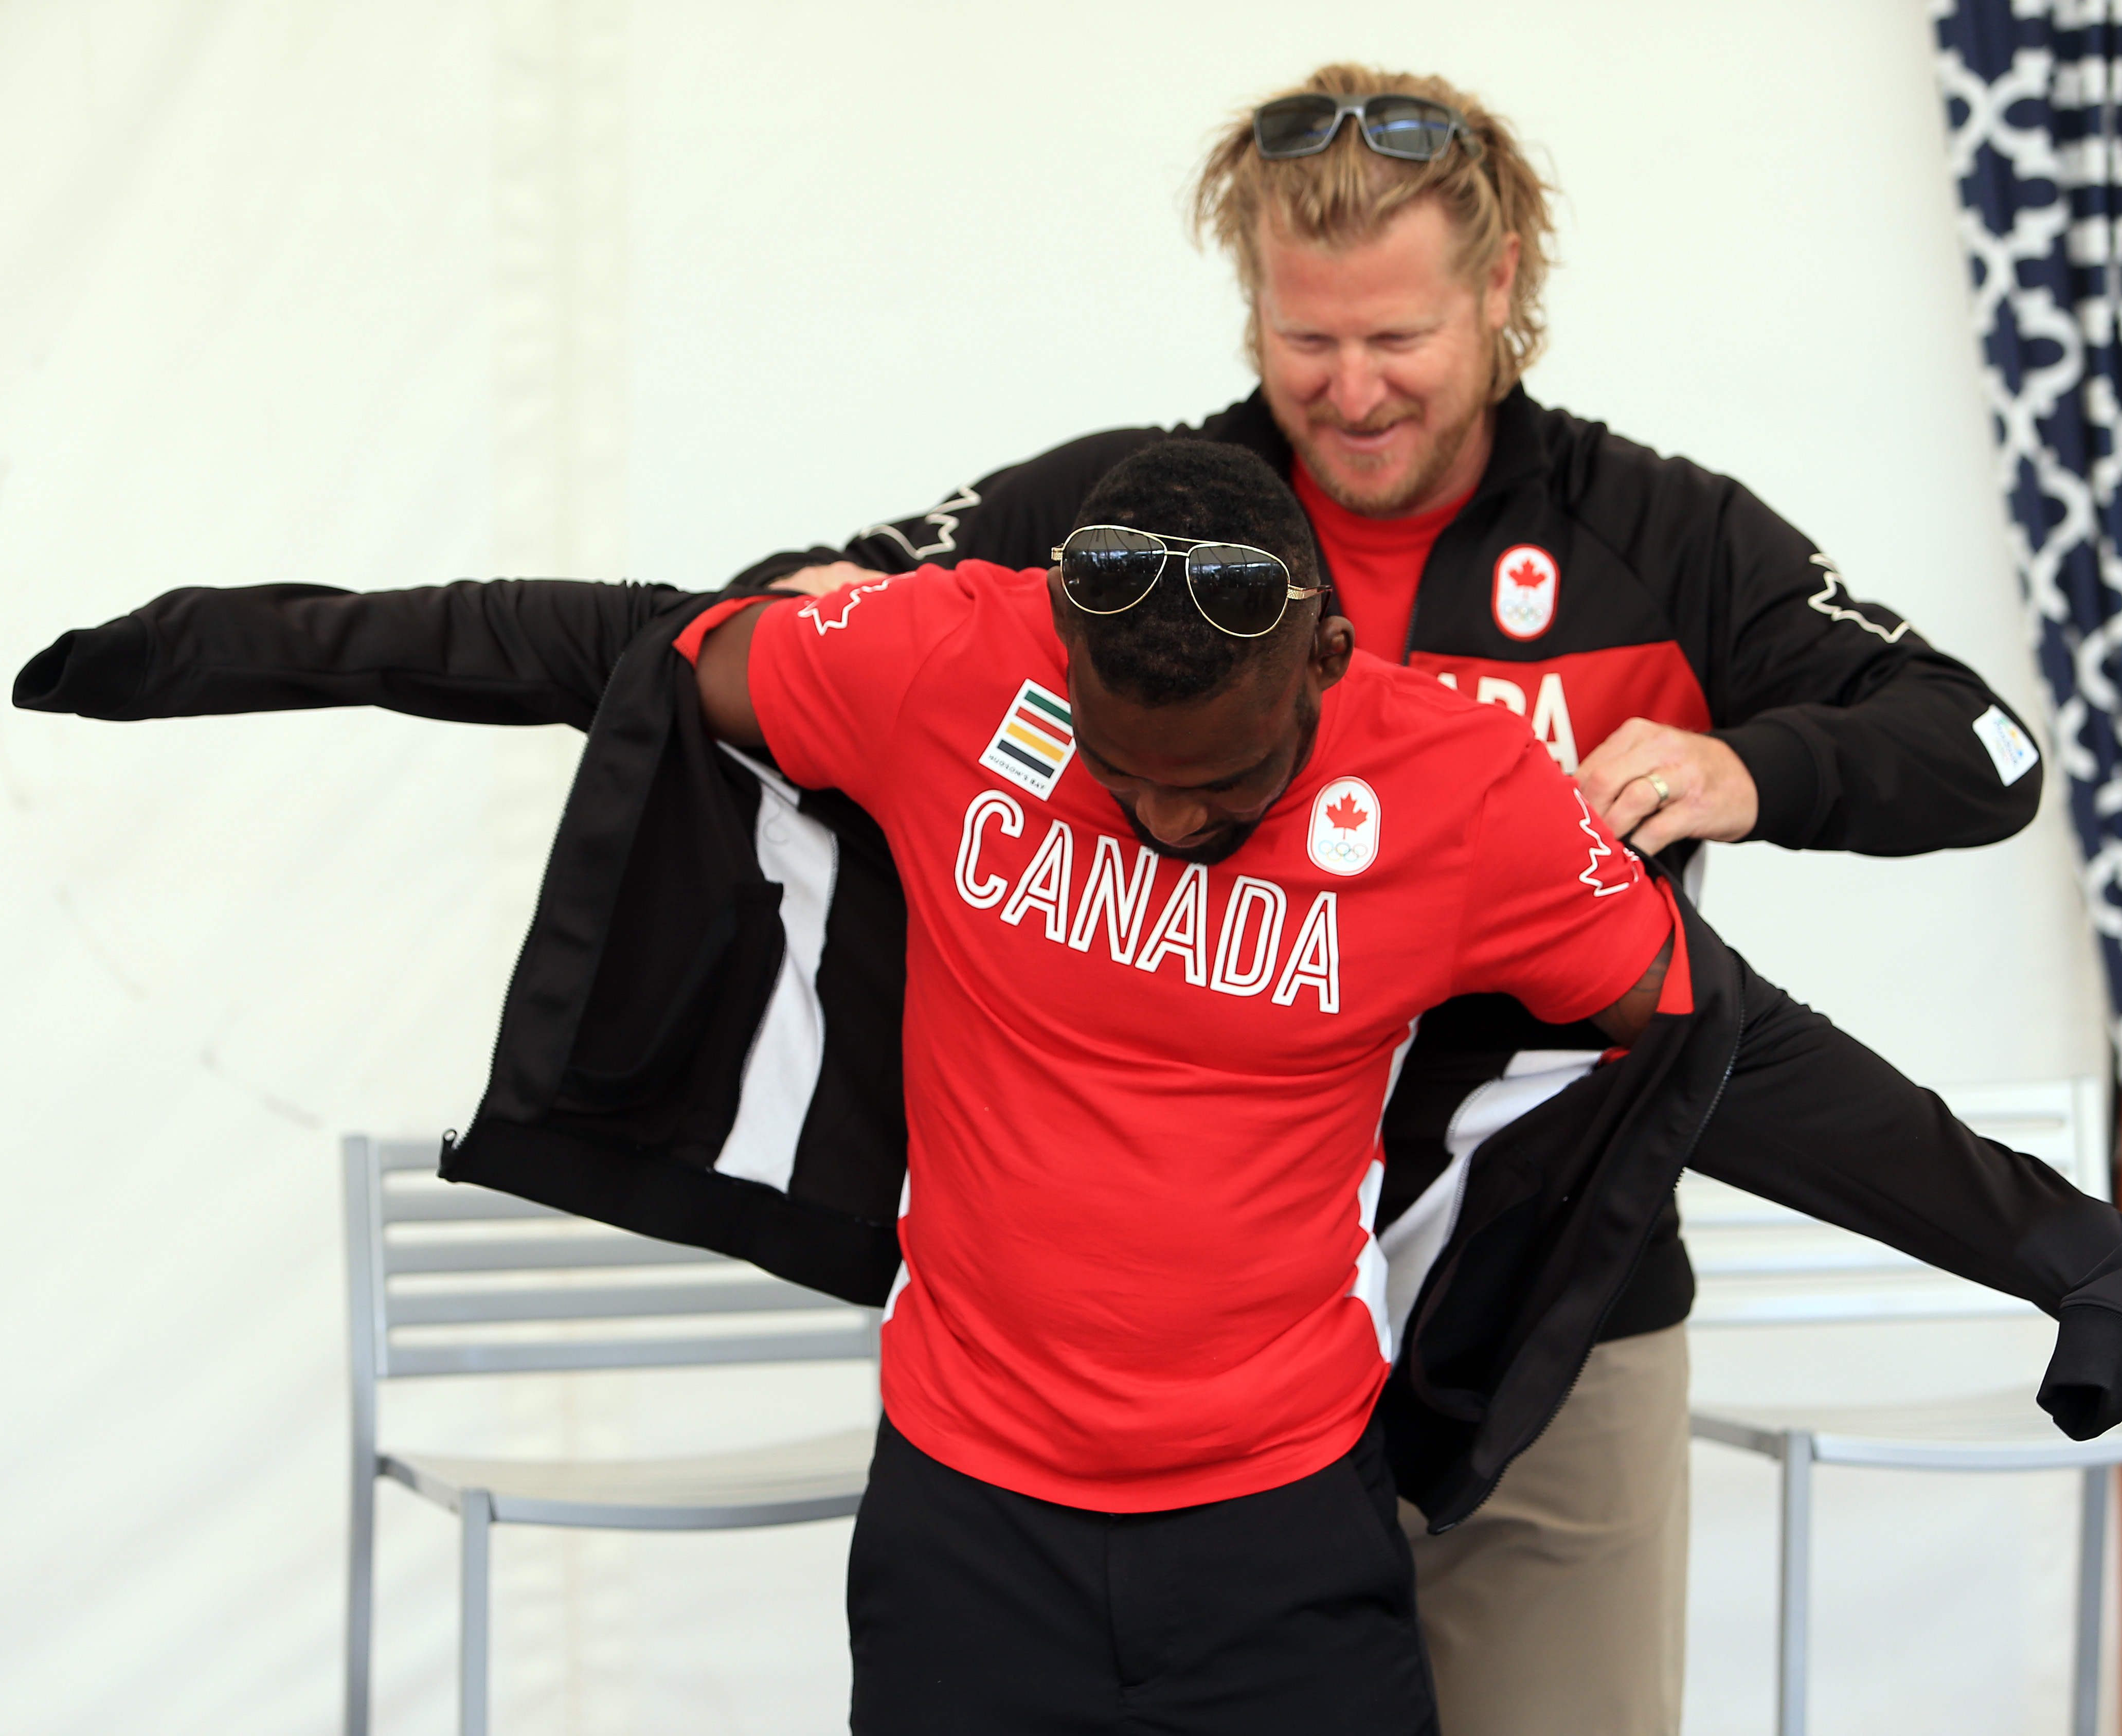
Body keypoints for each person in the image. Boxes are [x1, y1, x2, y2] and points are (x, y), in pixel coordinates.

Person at [19, 442, 2122, 1735]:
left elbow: (1735, 1047)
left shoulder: (1450, 792)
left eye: (1218, 784)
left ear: (1323, 667)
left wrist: (2055, 1246)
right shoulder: (946, 664)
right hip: (969, 1528)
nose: (1164, 822)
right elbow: (595, 643)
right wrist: (235, 640)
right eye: (1126, 775)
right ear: (1057, 660)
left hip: (1281, 1540)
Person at [728, 62, 2052, 1734]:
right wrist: (807, 594)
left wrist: (1754, 768)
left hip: (1546, 1329)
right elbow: (795, 625)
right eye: (1305, 340)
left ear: (1502, 292)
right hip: (1171, 1395)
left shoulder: (1658, 537)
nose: (1350, 393)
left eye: (1399, 340)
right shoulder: (1139, 528)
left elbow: (1987, 750)